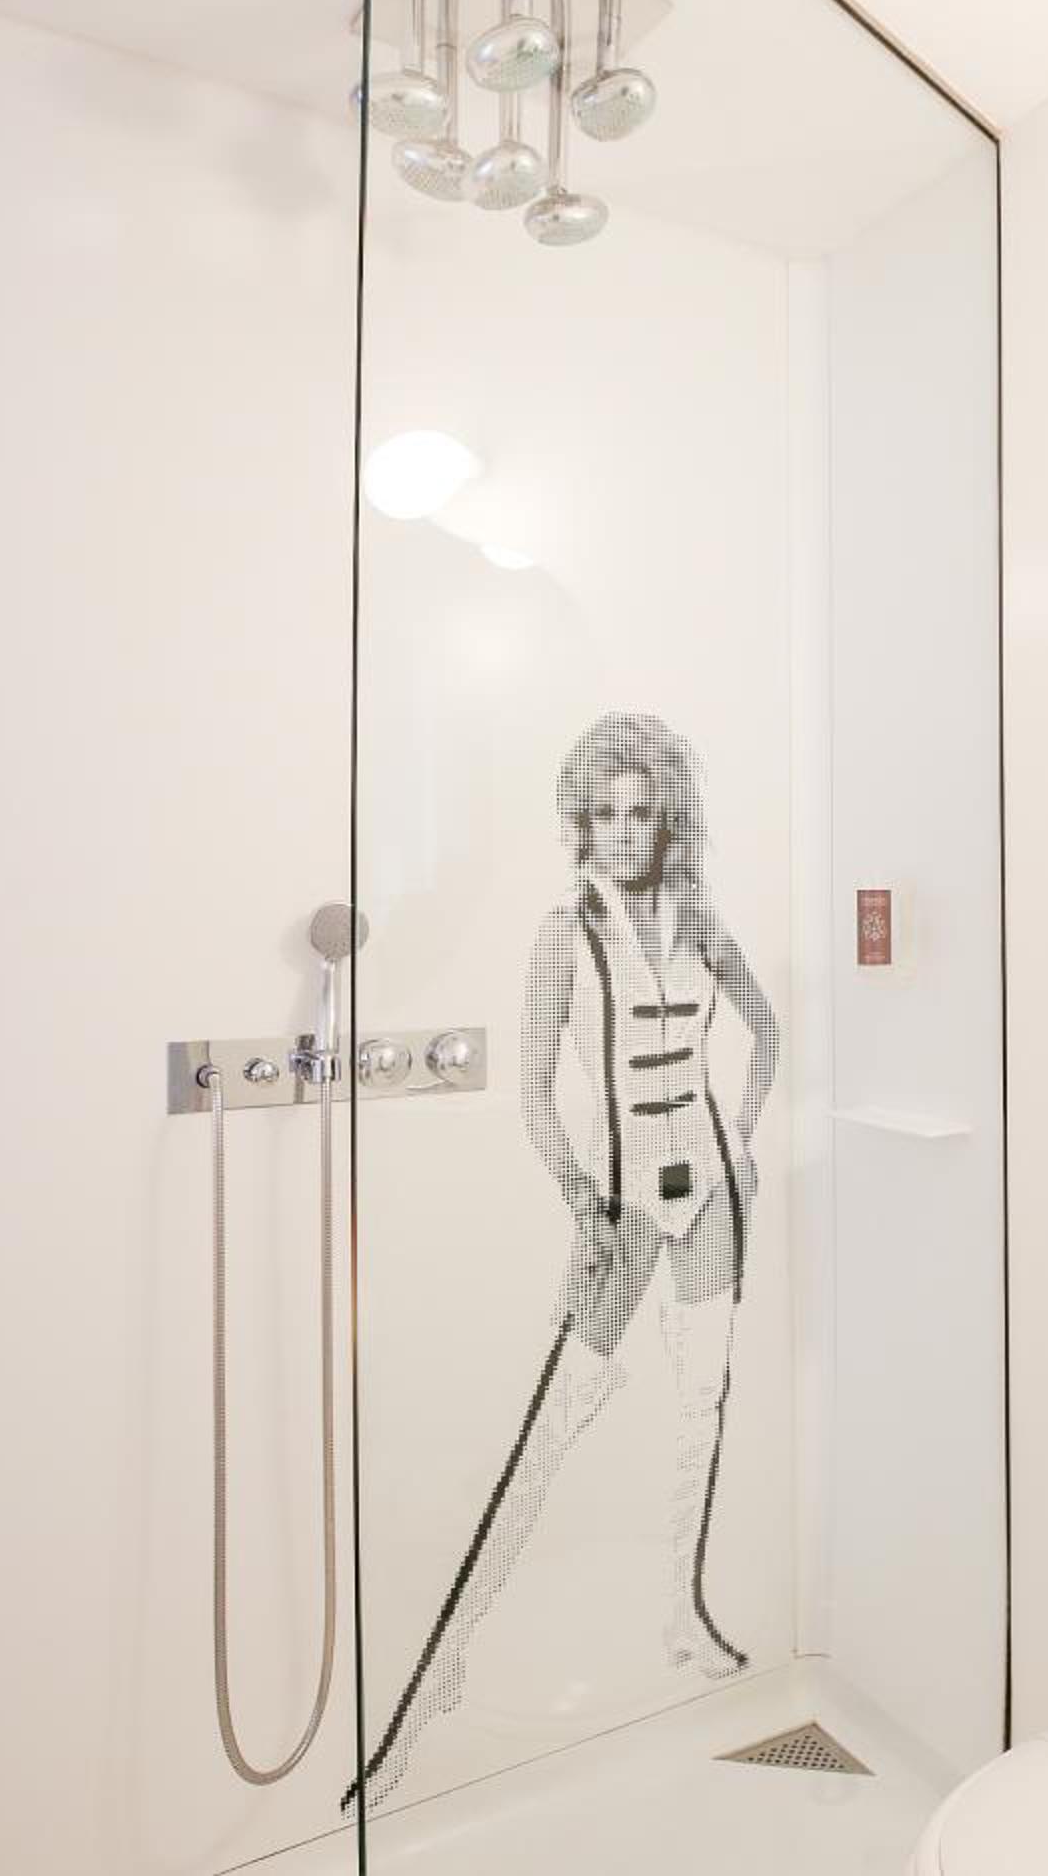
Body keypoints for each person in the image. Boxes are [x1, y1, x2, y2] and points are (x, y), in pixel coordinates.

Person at [349, 711, 779, 1815]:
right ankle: (436, 1680)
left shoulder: (697, 918)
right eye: (604, 812)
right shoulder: (563, 934)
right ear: (579, 822)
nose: (623, 829)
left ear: (667, 816)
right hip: (620, 1200)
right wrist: (580, 1197)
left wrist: (745, 1138)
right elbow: (535, 1090)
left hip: (711, 1189)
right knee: (550, 1427)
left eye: (641, 810)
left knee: (703, 1403)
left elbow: (767, 1028)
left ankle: (683, 1612)